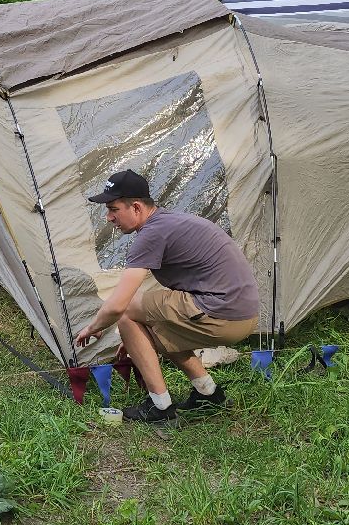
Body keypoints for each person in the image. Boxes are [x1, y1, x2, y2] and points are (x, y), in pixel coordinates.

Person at [72, 169, 260, 425]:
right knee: (152, 319)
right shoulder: (169, 221)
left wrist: (93, 328)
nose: (109, 217)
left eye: (114, 209)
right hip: (242, 316)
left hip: (221, 313)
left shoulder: (152, 234)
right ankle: (208, 394)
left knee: (128, 310)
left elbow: (119, 305)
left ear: (136, 207)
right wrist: (140, 337)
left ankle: (160, 407)